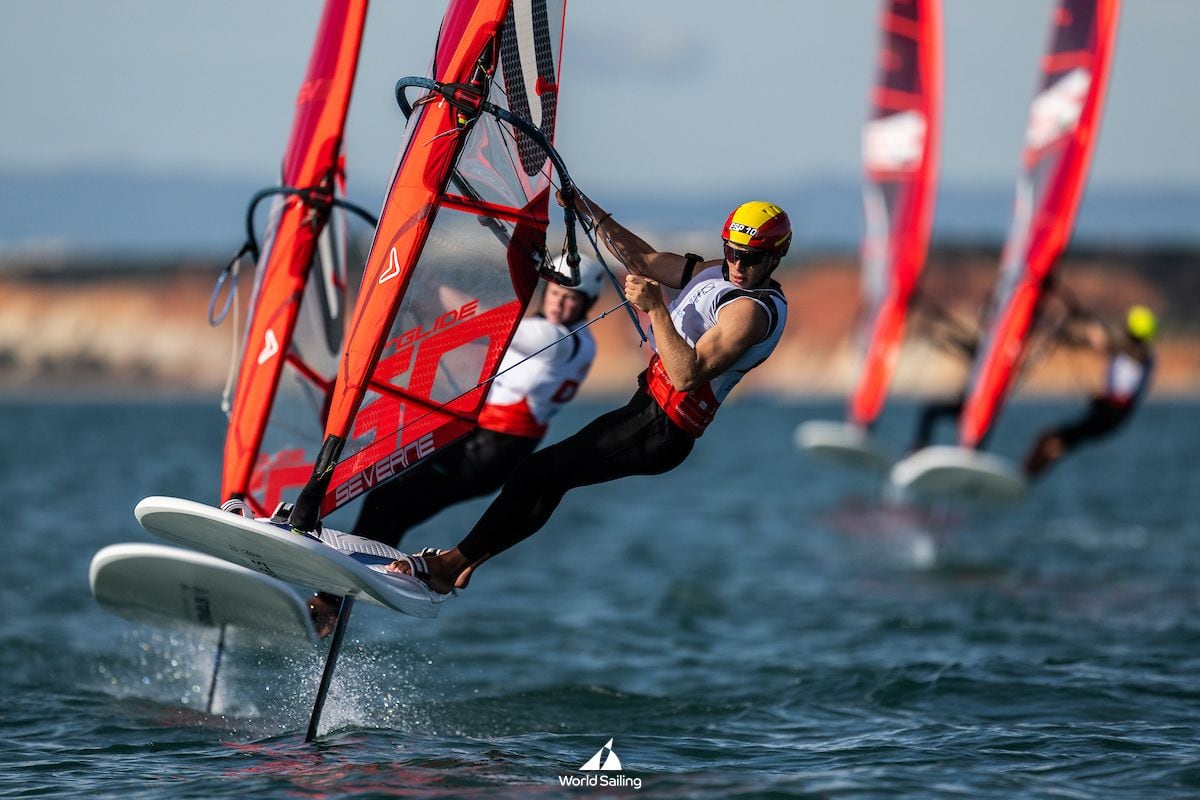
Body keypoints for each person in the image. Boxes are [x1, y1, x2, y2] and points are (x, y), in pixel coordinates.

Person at [381, 197, 792, 596]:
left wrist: (655, 309)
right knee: (548, 478)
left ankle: (449, 565)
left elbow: (687, 376)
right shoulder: (716, 271)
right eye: (733, 252)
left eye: (752, 258)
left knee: (540, 473)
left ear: (776, 257)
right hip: (645, 409)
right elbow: (643, 260)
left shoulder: (751, 312)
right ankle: (464, 563)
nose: (738, 265)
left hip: (664, 429)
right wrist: (584, 207)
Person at [306, 256, 605, 632]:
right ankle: (340, 598)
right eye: (556, 293)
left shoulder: (558, 339)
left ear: (586, 305)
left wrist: (430, 286)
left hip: (491, 449)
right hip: (485, 445)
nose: (560, 303)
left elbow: (491, 319)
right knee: (395, 505)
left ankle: (333, 599)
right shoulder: (575, 340)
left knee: (390, 500)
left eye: (571, 298)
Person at [1022, 305, 1156, 478]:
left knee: (1052, 439)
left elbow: (1117, 347)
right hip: (1111, 413)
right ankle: (1026, 475)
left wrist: (1096, 335)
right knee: (1058, 441)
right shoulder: (1137, 354)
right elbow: (1111, 348)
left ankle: (1024, 475)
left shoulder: (1137, 354)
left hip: (1110, 414)